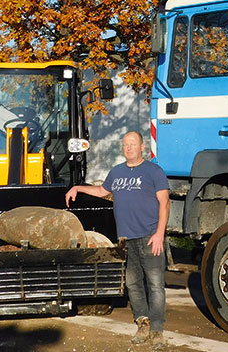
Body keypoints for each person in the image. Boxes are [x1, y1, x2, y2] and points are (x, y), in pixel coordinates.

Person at [65, 131, 170, 350]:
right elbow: (102, 191)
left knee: (155, 286)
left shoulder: (154, 171)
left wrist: (160, 233)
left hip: (150, 238)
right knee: (133, 284)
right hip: (126, 240)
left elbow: (165, 203)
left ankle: (157, 331)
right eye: (125, 144)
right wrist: (77, 187)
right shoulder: (117, 172)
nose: (128, 147)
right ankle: (142, 324)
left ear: (142, 147)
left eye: (133, 144)